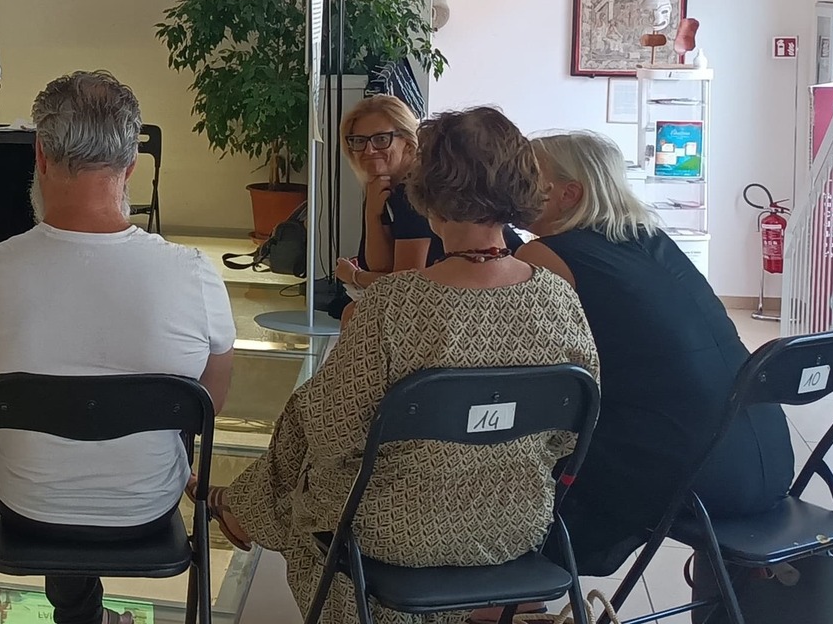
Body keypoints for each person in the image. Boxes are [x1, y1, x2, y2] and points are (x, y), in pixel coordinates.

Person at [215, 107, 599, 624]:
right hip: (515, 524)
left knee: (307, 446)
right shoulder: (559, 299)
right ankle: (241, 507)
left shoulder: (393, 304)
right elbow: (569, 435)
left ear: (428, 196)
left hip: (395, 531)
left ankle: (240, 509)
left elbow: (331, 433)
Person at [0, 72, 236, 624]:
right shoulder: (193, 275)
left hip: (28, 507)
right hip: (148, 506)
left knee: (30, 440)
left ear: (39, 156)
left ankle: (80, 615)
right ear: (132, 166)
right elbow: (210, 404)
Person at [518, 132, 793, 577]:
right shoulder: (650, 238)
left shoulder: (545, 254)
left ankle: (514, 592)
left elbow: (525, 362)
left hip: (694, 475)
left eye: (528, 176)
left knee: (519, 447)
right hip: (766, 457)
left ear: (569, 194)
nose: (512, 185)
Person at [327, 95, 520, 320]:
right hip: (466, 293)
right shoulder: (384, 189)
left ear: (408, 142)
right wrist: (372, 213)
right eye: (359, 141)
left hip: (490, 296)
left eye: (381, 139)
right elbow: (380, 266)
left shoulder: (415, 191)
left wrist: (355, 276)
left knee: (353, 314)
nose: (368, 150)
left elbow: (405, 282)